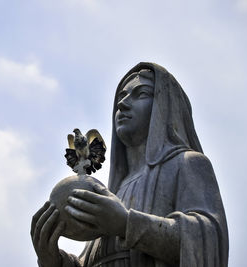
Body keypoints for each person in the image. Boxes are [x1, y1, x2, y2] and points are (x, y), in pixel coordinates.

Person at [31, 62, 229, 267]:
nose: (122, 104)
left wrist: (126, 224)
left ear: (165, 106)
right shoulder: (113, 192)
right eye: (121, 98)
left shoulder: (187, 164)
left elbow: (207, 239)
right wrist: (54, 261)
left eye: (141, 94)